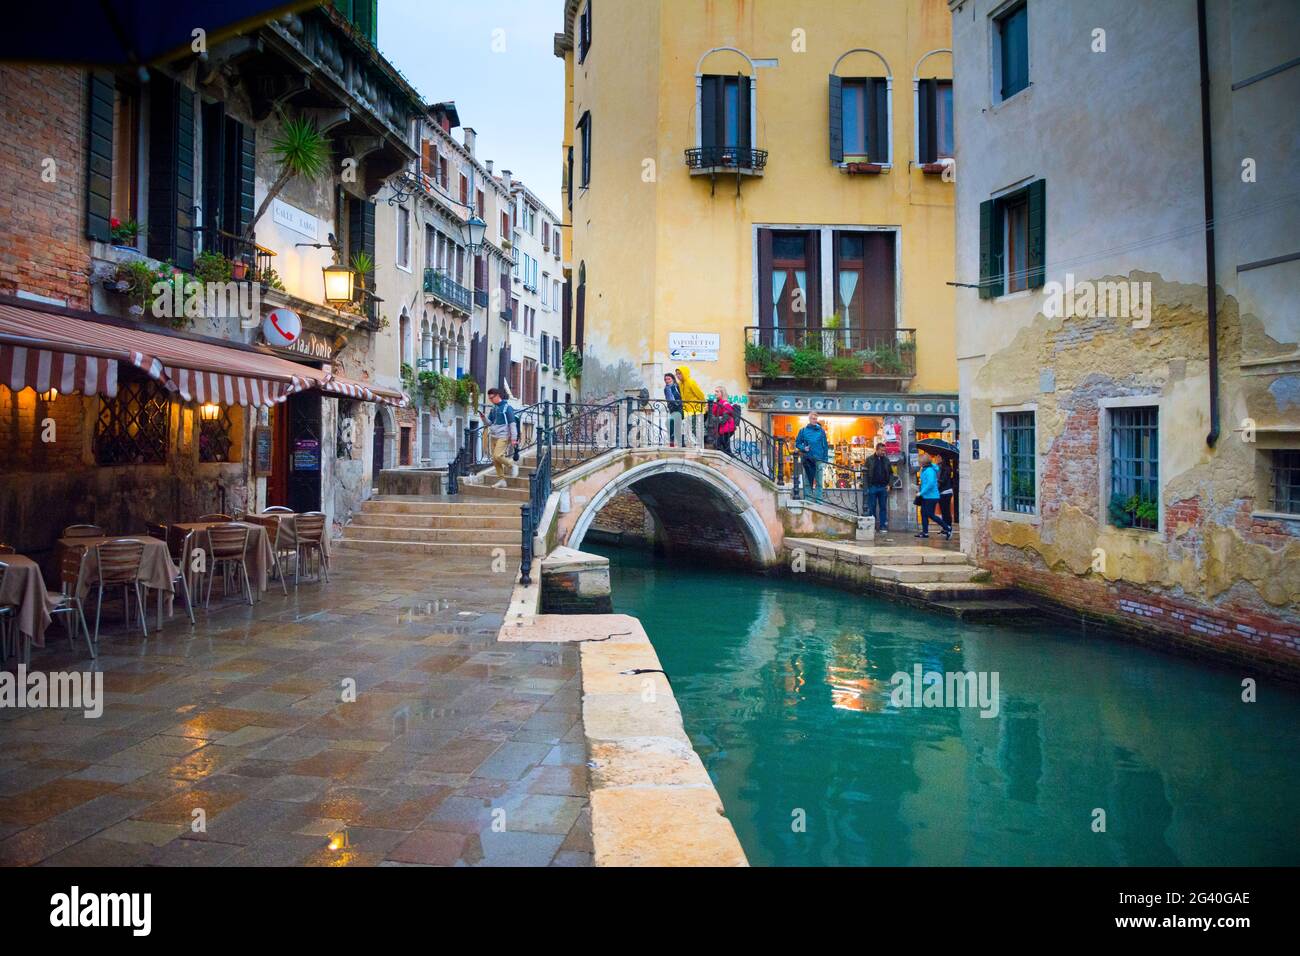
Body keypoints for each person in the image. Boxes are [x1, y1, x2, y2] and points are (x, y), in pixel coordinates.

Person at [484, 387, 519, 488]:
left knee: (497, 456)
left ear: (498, 396)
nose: (490, 400)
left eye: (492, 398)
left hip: (503, 436)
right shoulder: (494, 408)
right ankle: (501, 480)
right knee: (495, 460)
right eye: (489, 398)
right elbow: (489, 423)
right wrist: (483, 418)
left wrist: (513, 438)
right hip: (493, 435)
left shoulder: (507, 408)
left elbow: (512, 423)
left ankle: (512, 466)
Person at [915, 451, 952, 540]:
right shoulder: (925, 469)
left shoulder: (929, 470)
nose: (918, 463)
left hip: (931, 496)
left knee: (930, 514)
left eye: (919, 461)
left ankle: (947, 528)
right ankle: (925, 532)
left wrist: (921, 492)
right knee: (923, 513)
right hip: (927, 496)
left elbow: (930, 484)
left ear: (923, 462)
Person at [794, 411, 829, 502]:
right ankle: (808, 500)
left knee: (819, 482)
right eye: (813, 418)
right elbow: (797, 443)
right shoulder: (803, 430)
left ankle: (818, 500)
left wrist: (825, 460)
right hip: (808, 459)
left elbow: (825, 445)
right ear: (809, 419)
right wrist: (803, 448)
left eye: (816, 419)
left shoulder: (821, 431)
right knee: (807, 481)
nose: (814, 420)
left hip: (819, 459)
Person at [675, 366, 707, 447]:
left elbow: (700, 395)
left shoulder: (691, 382)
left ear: (684, 373)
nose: (678, 376)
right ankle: (692, 445)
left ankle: (700, 446)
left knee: (694, 428)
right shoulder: (680, 384)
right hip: (687, 410)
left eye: (679, 374)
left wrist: (703, 407)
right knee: (687, 428)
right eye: (677, 374)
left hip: (695, 410)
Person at [865, 442, 892, 533]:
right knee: (872, 507)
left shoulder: (886, 460)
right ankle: (872, 526)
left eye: (884, 450)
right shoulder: (869, 460)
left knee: (883, 507)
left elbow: (891, 473)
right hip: (873, 486)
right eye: (882, 450)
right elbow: (864, 474)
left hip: (883, 487)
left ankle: (882, 526)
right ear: (877, 450)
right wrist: (866, 486)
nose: (883, 452)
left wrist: (889, 484)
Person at [711, 386, 738, 455]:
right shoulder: (719, 403)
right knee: (723, 446)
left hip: (727, 428)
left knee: (722, 445)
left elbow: (724, 417)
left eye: (717, 392)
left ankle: (730, 459)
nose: (715, 393)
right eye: (715, 391)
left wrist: (716, 418)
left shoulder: (725, 403)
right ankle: (729, 458)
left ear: (722, 393)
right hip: (723, 428)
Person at [663, 372, 683, 447]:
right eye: (665, 379)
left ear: (673, 379)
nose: (667, 381)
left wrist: (677, 405)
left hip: (678, 409)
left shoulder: (675, 386)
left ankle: (672, 441)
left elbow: (678, 398)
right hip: (672, 410)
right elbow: (668, 399)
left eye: (669, 379)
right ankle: (680, 443)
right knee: (676, 426)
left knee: (669, 422)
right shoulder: (666, 389)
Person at [938, 457, 955, 528]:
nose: (937, 458)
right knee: (943, 511)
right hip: (942, 492)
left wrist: (936, 480)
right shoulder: (940, 467)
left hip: (946, 491)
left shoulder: (946, 469)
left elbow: (943, 480)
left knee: (946, 511)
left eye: (939, 457)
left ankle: (948, 526)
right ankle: (945, 527)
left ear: (943, 459)